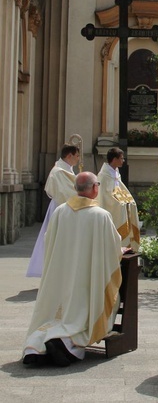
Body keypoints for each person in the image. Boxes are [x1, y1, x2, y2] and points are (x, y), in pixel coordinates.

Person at [22, 172, 122, 367]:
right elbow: (113, 247)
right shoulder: (101, 216)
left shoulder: (60, 212)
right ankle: (65, 344)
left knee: (54, 316)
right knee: (81, 315)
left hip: (60, 278)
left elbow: (48, 242)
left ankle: (35, 347)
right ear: (94, 188)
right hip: (85, 281)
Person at [26, 143, 79, 277]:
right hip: (61, 208)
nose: (78, 159)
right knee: (56, 239)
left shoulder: (67, 169)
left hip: (68, 208)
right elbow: (63, 192)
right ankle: (54, 271)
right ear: (69, 156)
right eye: (77, 156)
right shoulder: (58, 171)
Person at [96, 147, 141, 251]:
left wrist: (128, 201)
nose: (123, 160)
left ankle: (126, 246)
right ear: (114, 159)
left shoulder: (116, 173)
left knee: (131, 205)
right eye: (121, 158)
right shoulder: (103, 176)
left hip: (120, 205)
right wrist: (118, 204)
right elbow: (103, 196)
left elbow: (119, 191)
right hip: (110, 210)